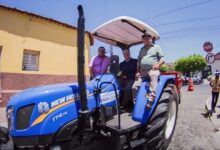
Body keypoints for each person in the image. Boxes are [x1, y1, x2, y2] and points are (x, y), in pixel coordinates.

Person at [132, 33, 165, 110]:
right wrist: (137, 72)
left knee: (153, 76)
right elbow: (139, 61)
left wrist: (158, 65)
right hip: (143, 71)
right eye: (144, 38)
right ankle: (136, 103)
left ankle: (150, 100)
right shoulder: (141, 49)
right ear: (142, 40)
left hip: (153, 69)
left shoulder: (156, 47)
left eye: (147, 37)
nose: (146, 39)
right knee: (134, 86)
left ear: (151, 39)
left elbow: (162, 59)